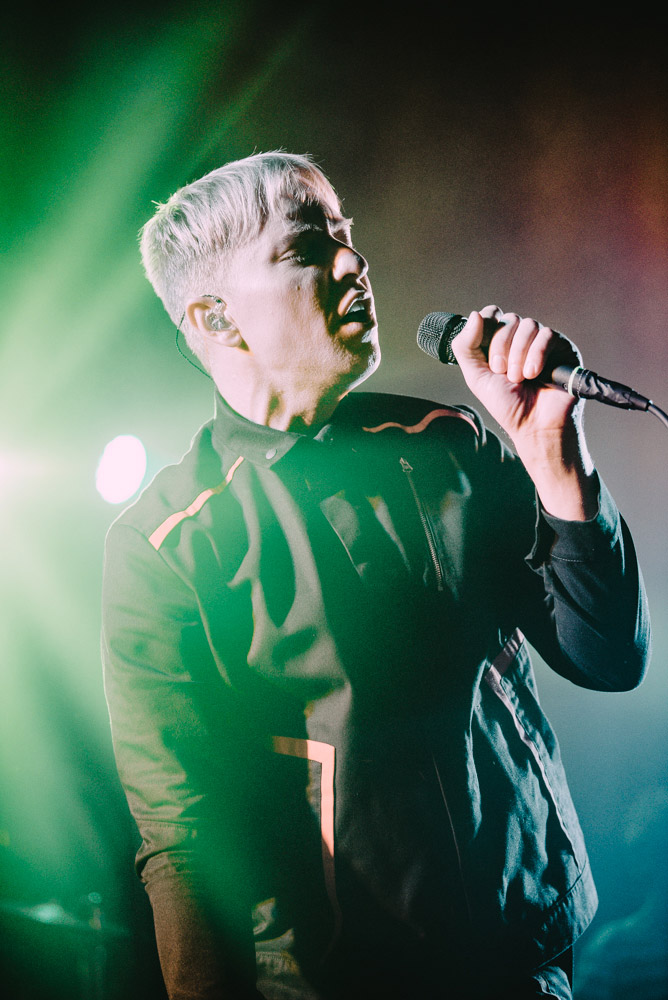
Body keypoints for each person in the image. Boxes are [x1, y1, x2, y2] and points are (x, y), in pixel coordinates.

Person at [101, 151, 651, 1000]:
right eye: (307, 248)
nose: (355, 261)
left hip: (527, 958)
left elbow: (610, 657)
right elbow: (185, 841)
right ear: (215, 316)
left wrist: (552, 455)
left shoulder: (443, 442)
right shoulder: (170, 544)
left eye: (347, 236)